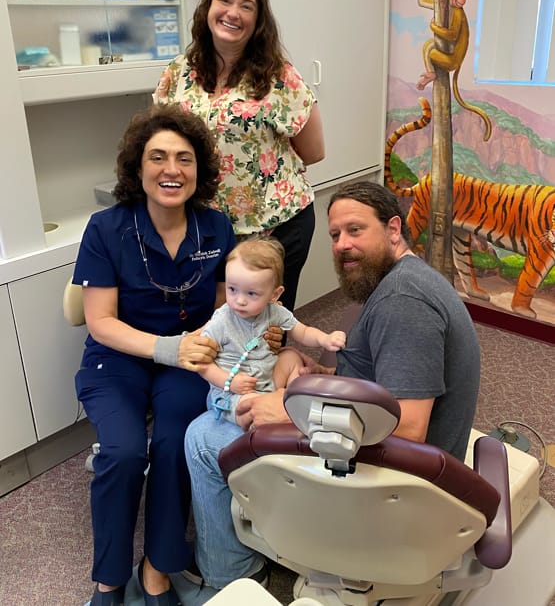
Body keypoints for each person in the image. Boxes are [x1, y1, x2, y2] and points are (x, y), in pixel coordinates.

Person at [184, 180, 480, 592]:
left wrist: (290, 409)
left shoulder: (404, 303)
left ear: (394, 229)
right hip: (385, 460)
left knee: (201, 437)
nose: (341, 245)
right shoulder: (404, 281)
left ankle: (229, 577)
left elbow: (409, 428)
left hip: (394, 483)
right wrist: (321, 373)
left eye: (355, 230)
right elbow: (383, 382)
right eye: (335, 235)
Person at [73, 104, 236, 606]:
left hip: (188, 357)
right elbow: (99, 320)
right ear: (137, 169)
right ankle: (108, 578)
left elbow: (223, 307)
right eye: (158, 157)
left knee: (175, 445)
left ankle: (159, 568)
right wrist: (169, 347)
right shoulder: (106, 227)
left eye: (184, 159)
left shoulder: (216, 227)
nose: (172, 170)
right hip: (116, 357)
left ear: (199, 170)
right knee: (122, 453)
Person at [153, 0, 325, 312]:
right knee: (213, 323)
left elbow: (313, 151)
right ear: (208, 7)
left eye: (247, 6)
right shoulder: (178, 73)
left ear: (258, 20)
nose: (233, 13)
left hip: (276, 225)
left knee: (266, 328)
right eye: (225, 0)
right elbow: (158, 146)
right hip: (205, 229)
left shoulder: (279, 76)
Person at [198, 237, 346, 424]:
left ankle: (293, 399)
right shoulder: (222, 320)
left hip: (267, 381)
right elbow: (202, 363)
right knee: (250, 408)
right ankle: (275, 418)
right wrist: (229, 381)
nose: (239, 300)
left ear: (274, 295)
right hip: (234, 393)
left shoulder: (274, 311)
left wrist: (325, 339)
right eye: (232, 289)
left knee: (292, 358)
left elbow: (303, 331)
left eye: (251, 293)